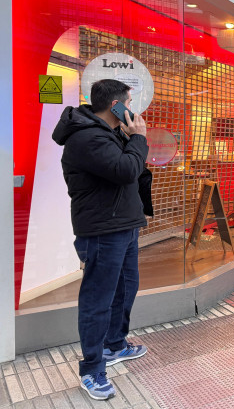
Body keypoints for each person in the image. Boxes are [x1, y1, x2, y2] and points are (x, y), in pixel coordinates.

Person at [52, 79, 150, 401]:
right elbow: (126, 170)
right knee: (97, 301)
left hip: (123, 227)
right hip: (102, 233)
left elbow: (128, 175)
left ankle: (115, 345)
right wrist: (138, 138)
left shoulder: (107, 134)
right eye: (129, 102)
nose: (133, 110)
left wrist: (128, 137)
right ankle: (93, 370)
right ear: (115, 106)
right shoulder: (87, 138)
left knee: (125, 289)